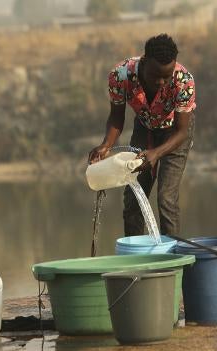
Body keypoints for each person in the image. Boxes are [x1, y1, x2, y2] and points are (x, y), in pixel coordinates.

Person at [88, 33, 196, 236]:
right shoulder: (120, 76)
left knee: (166, 199)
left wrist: (156, 153)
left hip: (174, 134)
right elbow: (116, 118)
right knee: (133, 197)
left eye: (167, 75)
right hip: (145, 128)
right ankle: (135, 255)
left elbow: (182, 132)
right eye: (156, 76)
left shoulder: (184, 81)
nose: (162, 82)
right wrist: (106, 145)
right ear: (144, 62)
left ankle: (172, 258)